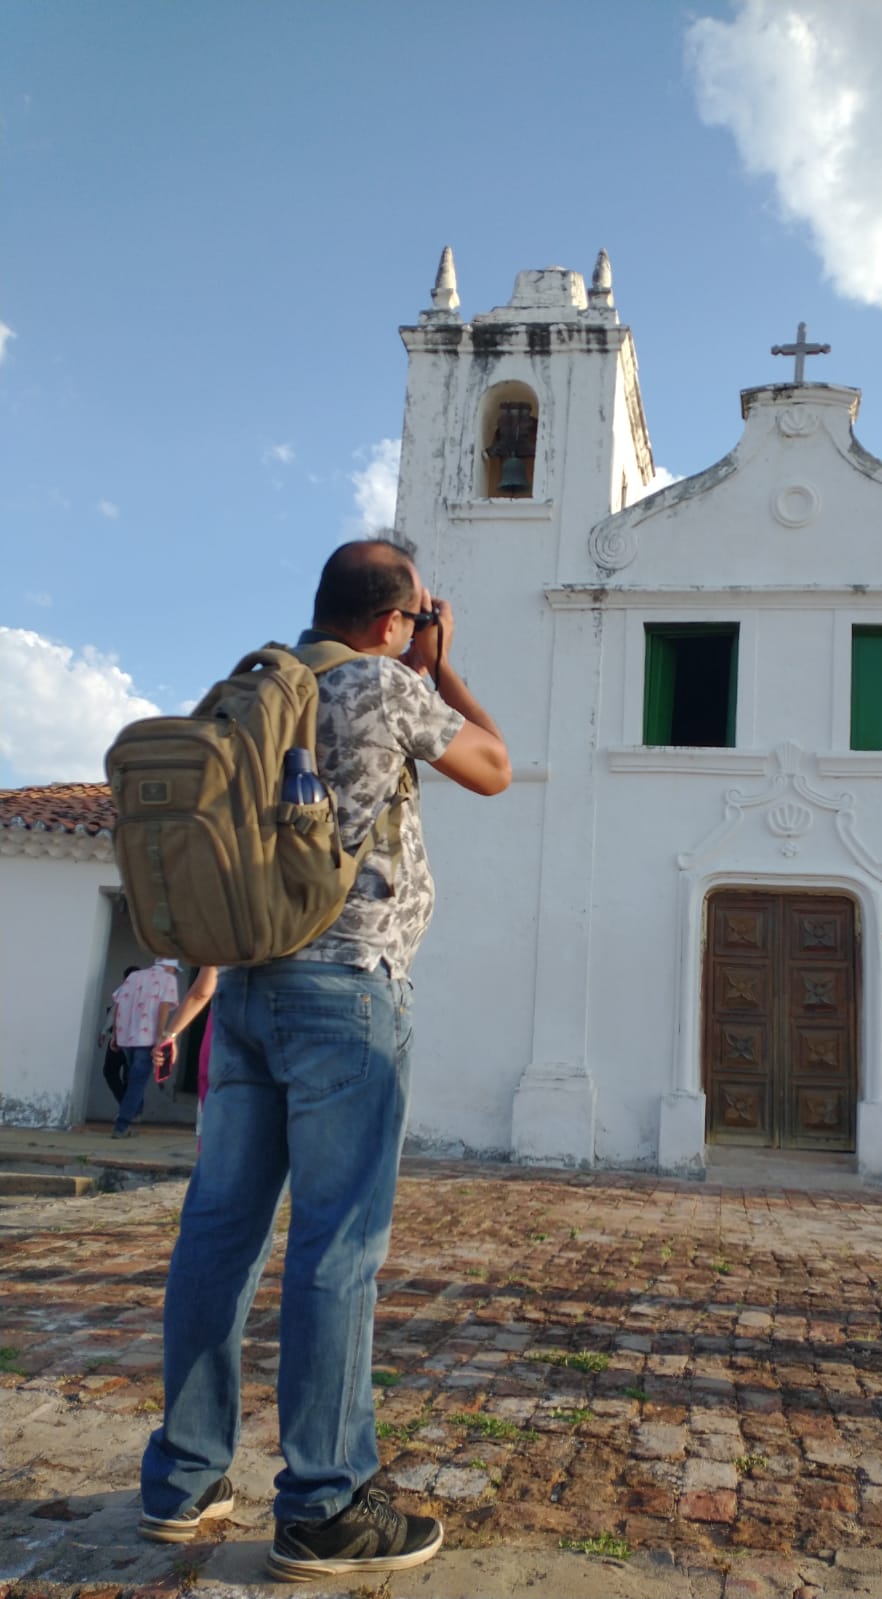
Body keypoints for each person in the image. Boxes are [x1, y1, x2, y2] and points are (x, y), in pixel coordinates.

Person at [137, 540, 511, 1580]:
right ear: (397, 618)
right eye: (416, 616)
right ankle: (326, 1503)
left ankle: (183, 1476)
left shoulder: (260, 683)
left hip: (247, 990)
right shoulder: (385, 684)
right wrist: (440, 666)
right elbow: (494, 766)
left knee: (219, 1233)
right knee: (337, 1248)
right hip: (346, 990)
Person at [110, 959, 182, 1138]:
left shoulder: (134, 976)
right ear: (170, 967)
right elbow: (164, 1008)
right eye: (174, 970)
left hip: (127, 1036)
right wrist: (161, 1038)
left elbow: (119, 1004)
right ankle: (122, 1125)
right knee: (137, 1081)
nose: (174, 973)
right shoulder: (168, 979)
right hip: (147, 1038)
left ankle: (132, 1114)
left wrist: (115, 1034)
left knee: (132, 1079)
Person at [152, 966, 219, 1143]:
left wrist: (170, 1035)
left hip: (228, 1039)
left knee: (217, 1143)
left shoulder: (228, 938)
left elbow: (203, 990)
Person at [100, 965, 139, 1107]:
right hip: (139, 1041)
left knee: (110, 1071)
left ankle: (126, 1107)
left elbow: (114, 1014)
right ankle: (130, 1109)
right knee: (131, 1076)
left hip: (121, 1039)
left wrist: (108, 1033)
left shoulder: (123, 991)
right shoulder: (146, 994)